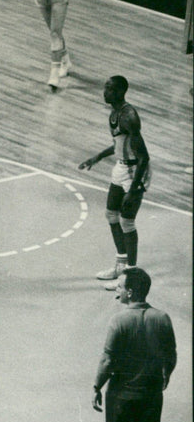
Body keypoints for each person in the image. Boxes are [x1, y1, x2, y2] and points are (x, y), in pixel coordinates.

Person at [92, 268, 177, 422]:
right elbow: (171, 355)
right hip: (151, 395)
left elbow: (107, 360)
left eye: (120, 287)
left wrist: (96, 386)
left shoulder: (119, 321)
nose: (116, 292)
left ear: (130, 292)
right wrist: (166, 375)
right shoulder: (162, 318)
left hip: (121, 397)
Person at [79, 76, 151, 290]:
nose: (105, 92)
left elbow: (144, 156)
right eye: (105, 87)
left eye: (110, 89)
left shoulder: (129, 116)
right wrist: (97, 157)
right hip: (121, 167)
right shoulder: (115, 113)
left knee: (127, 222)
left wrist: (135, 187)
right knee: (111, 215)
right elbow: (119, 144)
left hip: (134, 171)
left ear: (121, 91)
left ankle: (130, 276)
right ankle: (120, 265)